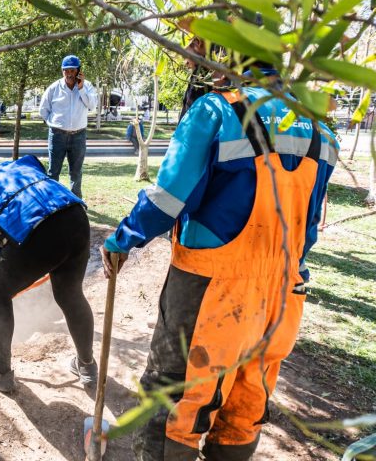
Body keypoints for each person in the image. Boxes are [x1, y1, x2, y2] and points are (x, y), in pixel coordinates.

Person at [101, 61, 338, 460]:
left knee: (176, 400)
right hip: (283, 293)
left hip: (211, 288)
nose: (200, 65)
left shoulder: (217, 110)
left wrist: (123, 239)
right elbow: (310, 226)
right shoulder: (319, 129)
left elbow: (168, 199)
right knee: (245, 404)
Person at [0, 153, 97, 393]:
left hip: (36, 232)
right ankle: (87, 366)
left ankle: (0, 371)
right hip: (74, 216)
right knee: (70, 294)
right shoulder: (10, 167)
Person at [39, 55, 98, 198]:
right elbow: (43, 110)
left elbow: (92, 106)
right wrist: (55, 124)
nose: (70, 74)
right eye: (66, 70)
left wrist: (81, 88)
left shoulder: (87, 86)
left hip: (79, 135)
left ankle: (76, 201)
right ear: (62, 71)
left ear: (79, 71)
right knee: (53, 172)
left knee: (76, 172)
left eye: (73, 70)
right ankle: (52, 202)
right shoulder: (54, 88)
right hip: (57, 135)